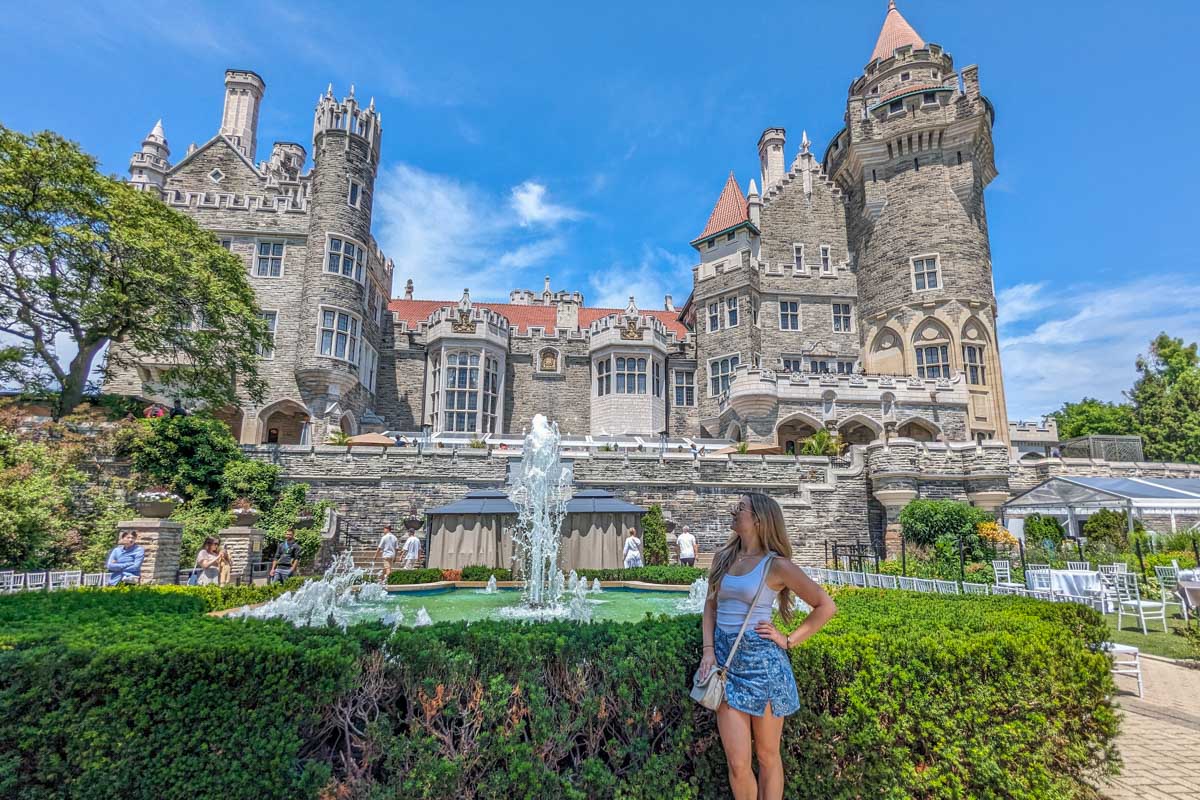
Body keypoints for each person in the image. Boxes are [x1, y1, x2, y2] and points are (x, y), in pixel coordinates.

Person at [697, 493, 837, 800]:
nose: (734, 511)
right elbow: (710, 606)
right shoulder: (723, 557)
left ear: (759, 519)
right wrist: (708, 649)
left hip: (765, 669)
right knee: (737, 763)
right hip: (726, 667)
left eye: (741, 508)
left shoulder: (777, 566)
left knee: (767, 756)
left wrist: (788, 640)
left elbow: (825, 605)